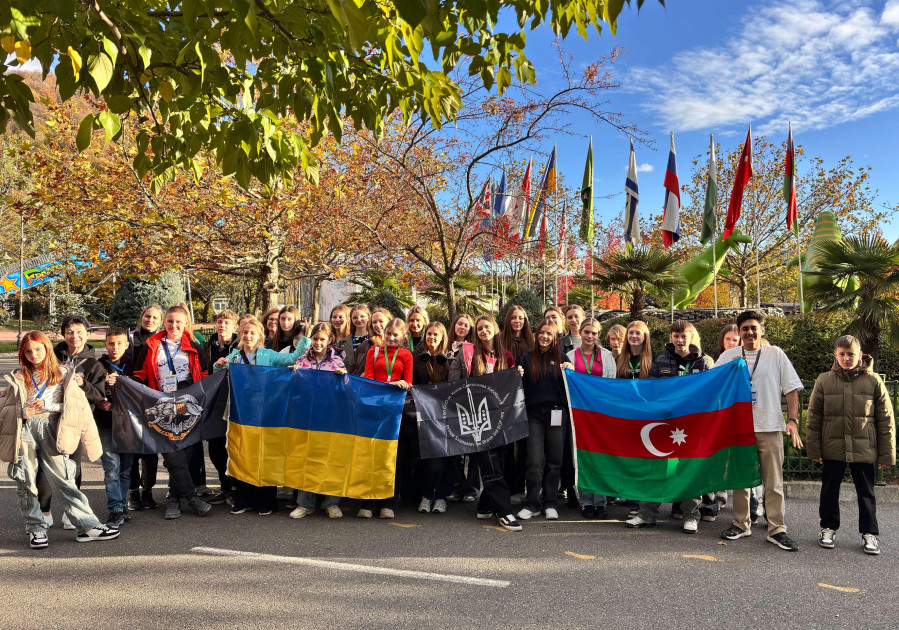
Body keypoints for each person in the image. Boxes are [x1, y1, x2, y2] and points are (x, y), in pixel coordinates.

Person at [0, 331, 120, 549]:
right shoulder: (18, 376)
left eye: (38, 349)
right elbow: (8, 408)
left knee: (65, 478)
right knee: (25, 480)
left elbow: (75, 407)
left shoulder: (63, 372)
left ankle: (87, 526)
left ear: (47, 349)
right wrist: (23, 410)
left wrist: (48, 407)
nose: (33, 354)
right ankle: (36, 529)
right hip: (25, 429)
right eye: (28, 351)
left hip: (54, 428)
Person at [716, 310, 804, 552]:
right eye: (745, 328)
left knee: (773, 482)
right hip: (740, 430)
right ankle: (741, 523)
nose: (749, 332)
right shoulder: (729, 356)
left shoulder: (775, 354)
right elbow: (713, 385)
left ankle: (777, 529)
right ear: (739, 332)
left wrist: (793, 420)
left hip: (770, 427)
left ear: (762, 330)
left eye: (754, 328)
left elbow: (792, 390)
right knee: (741, 480)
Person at [806, 335, 895, 555]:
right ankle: (828, 528)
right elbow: (814, 416)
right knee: (829, 491)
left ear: (860, 355)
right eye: (842, 354)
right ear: (835, 355)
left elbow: (886, 419)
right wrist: (814, 449)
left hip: (863, 447)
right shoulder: (824, 380)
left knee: (866, 492)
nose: (846, 358)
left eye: (851, 354)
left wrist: (886, 454)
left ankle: (869, 533)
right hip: (832, 446)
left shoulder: (873, 381)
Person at [627, 320, 714, 532]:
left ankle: (691, 515)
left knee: (688, 470)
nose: (680, 340)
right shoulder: (660, 361)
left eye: (684, 336)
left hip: (691, 425)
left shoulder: (703, 363)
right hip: (664, 424)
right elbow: (651, 390)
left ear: (691, 337)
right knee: (655, 468)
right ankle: (647, 514)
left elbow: (711, 392)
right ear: (671, 338)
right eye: (676, 336)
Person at [214, 317, 307, 514]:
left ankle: (265, 501)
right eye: (245, 333)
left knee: (264, 456)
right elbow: (217, 369)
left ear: (259, 336)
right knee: (242, 455)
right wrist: (219, 363)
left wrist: (304, 336)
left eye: (252, 333)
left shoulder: (269, 355)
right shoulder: (235, 356)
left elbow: (293, 358)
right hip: (239, 414)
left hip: (264, 414)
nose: (248, 336)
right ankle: (243, 499)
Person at [133, 305, 213, 520]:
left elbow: (204, 374)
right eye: (170, 321)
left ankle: (174, 499)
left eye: (178, 322)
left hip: (187, 404)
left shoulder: (194, 345)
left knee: (185, 454)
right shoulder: (151, 345)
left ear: (186, 323)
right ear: (164, 322)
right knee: (172, 455)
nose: (174, 325)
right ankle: (191, 497)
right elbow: (139, 374)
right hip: (161, 405)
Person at [448, 315, 522, 532]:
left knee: (500, 461)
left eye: (487, 327)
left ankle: (485, 506)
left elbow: (511, 387)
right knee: (489, 464)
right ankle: (504, 511)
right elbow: (453, 382)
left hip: (500, 418)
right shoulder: (467, 352)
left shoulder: (506, 356)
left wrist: (518, 374)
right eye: (479, 328)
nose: (483, 331)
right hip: (476, 418)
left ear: (495, 330)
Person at [45, 314, 106, 529]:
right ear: (63, 334)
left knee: (73, 467)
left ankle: (71, 513)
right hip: (49, 419)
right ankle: (44, 512)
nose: (75, 336)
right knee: (46, 466)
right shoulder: (50, 357)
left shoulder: (93, 364)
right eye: (70, 332)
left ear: (87, 334)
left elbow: (99, 396)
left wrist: (83, 384)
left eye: (80, 332)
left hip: (76, 422)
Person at [289, 323, 348, 520]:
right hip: (306, 417)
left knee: (331, 459)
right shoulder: (302, 360)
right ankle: (305, 504)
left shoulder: (337, 361)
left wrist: (343, 377)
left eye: (322, 339)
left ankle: (331, 503)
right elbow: (292, 388)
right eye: (315, 339)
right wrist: (293, 373)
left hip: (330, 417)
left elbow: (347, 388)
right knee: (307, 460)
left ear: (330, 340)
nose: (318, 343)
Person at [561, 317, 616, 519]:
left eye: (594, 333)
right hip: (579, 415)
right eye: (586, 332)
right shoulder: (569, 356)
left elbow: (611, 384)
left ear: (598, 335)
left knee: (600, 458)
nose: (590, 336)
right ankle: (585, 502)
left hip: (601, 414)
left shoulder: (607, 356)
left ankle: (600, 502)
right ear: (580, 333)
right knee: (582, 458)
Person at [361, 317, 414, 520]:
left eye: (395, 335)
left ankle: (389, 502)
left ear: (402, 336)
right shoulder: (373, 352)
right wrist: (387, 386)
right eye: (388, 334)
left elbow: (408, 382)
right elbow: (368, 379)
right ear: (383, 334)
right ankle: (368, 502)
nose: (391, 337)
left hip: (395, 411)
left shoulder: (406, 355)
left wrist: (401, 383)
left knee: (392, 457)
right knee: (372, 456)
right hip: (375, 409)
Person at [517, 318, 570, 522]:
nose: (545, 336)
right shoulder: (527, 357)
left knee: (555, 460)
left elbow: (569, 388)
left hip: (557, 413)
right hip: (533, 414)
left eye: (549, 333)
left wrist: (571, 370)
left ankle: (550, 503)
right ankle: (531, 503)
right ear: (536, 334)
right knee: (535, 460)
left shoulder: (562, 358)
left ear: (555, 336)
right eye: (541, 333)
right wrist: (518, 374)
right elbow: (519, 385)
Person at [412, 322, 454, 515]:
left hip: (446, 413)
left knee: (446, 455)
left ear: (442, 337)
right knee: (429, 456)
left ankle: (441, 497)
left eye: (436, 335)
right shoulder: (416, 357)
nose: (432, 338)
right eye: (429, 334)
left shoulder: (452, 357)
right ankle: (427, 495)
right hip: (423, 413)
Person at [95, 327, 136, 529]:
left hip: (128, 425)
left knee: (126, 469)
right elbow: (89, 390)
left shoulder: (132, 365)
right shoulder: (98, 366)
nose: (115, 347)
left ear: (127, 345)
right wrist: (103, 385)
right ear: (106, 344)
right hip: (106, 424)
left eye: (120, 343)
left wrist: (128, 382)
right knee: (111, 467)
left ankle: (121, 504)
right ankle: (115, 509)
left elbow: (143, 388)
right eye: (111, 343)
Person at [199, 309, 240, 505]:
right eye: (220, 322)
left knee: (233, 446)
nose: (222, 325)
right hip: (214, 401)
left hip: (236, 401)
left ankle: (235, 488)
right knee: (215, 446)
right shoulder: (207, 347)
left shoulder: (241, 345)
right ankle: (225, 487)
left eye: (227, 322)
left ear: (234, 326)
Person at [615, 320, 656, 517]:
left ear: (645, 336)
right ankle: (632, 500)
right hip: (626, 415)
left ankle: (644, 500)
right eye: (630, 332)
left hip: (646, 415)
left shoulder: (654, 359)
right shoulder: (619, 359)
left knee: (644, 459)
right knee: (629, 457)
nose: (634, 336)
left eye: (638, 333)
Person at [127, 306, 164, 512]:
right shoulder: (130, 339)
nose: (150, 320)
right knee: (133, 449)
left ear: (160, 321)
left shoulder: (163, 341)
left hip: (153, 399)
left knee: (151, 449)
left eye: (154, 317)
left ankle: (147, 490)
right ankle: (133, 492)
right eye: (147, 316)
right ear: (141, 317)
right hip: (131, 397)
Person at [500, 306, 534, 504]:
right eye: (513, 318)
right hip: (505, 399)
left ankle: (519, 488)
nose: (517, 321)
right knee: (505, 447)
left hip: (527, 398)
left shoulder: (532, 340)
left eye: (521, 318)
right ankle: (506, 486)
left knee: (523, 448)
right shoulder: (500, 339)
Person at [349, 307, 391, 376]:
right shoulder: (364, 345)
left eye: (381, 321)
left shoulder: (398, 344)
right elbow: (354, 371)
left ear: (389, 322)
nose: (377, 325)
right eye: (374, 322)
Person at [338, 304, 371, 370]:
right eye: (355, 317)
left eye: (362, 316)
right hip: (348, 379)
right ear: (351, 320)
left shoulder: (374, 340)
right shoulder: (342, 343)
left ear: (368, 317)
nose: (359, 319)